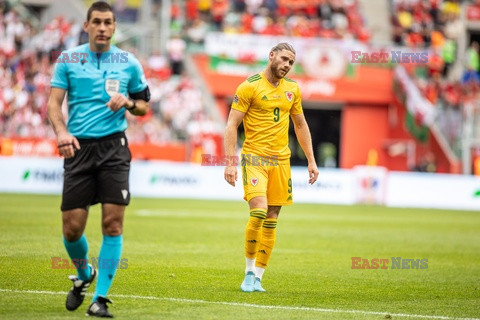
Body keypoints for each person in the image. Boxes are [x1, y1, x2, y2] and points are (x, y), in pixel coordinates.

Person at [47, 1, 150, 317]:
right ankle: (84, 274)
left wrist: (129, 103)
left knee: (112, 224)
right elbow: (53, 104)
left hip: (114, 149)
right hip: (78, 148)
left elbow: (144, 106)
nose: (103, 28)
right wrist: (61, 133)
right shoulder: (69, 58)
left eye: (109, 22)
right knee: (72, 230)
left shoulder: (128, 61)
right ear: (87, 25)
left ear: (114, 27)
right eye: (97, 22)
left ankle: (100, 299)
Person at [224, 42, 319, 292]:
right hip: (255, 158)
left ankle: (258, 277)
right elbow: (232, 124)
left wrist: (311, 159)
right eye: (284, 59)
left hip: (281, 161)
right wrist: (230, 163)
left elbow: (300, 125)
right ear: (271, 56)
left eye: (291, 62)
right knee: (258, 212)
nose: (287, 65)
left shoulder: (293, 90)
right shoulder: (249, 86)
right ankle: (247, 272)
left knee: (272, 219)